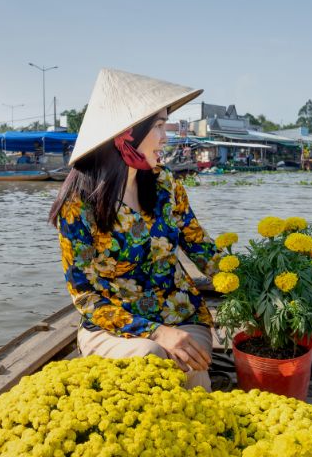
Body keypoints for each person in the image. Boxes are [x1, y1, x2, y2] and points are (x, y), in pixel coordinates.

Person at [49, 68, 220, 390]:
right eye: (157, 126)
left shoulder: (166, 185)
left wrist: (255, 280)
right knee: (151, 356)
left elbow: (202, 248)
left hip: (180, 315)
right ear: (126, 135)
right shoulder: (79, 205)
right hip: (114, 328)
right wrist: (156, 332)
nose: (165, 138)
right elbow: (84, 295)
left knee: (187, 365)